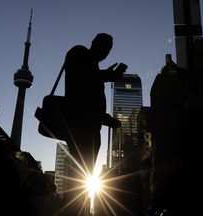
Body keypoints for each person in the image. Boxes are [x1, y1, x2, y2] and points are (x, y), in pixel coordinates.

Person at [57, 33, 126, 215]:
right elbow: (80, 82)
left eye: (109, 49)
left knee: (82, 179)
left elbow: (89, 100)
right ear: (94, 43)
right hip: (80, 127)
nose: (106, 52)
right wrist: (106, 75)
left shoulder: (93, 67)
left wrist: (106, 119)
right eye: (104, 46)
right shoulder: (79, 52)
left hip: (91, 129)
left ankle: (76, 210)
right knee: (78, 180)